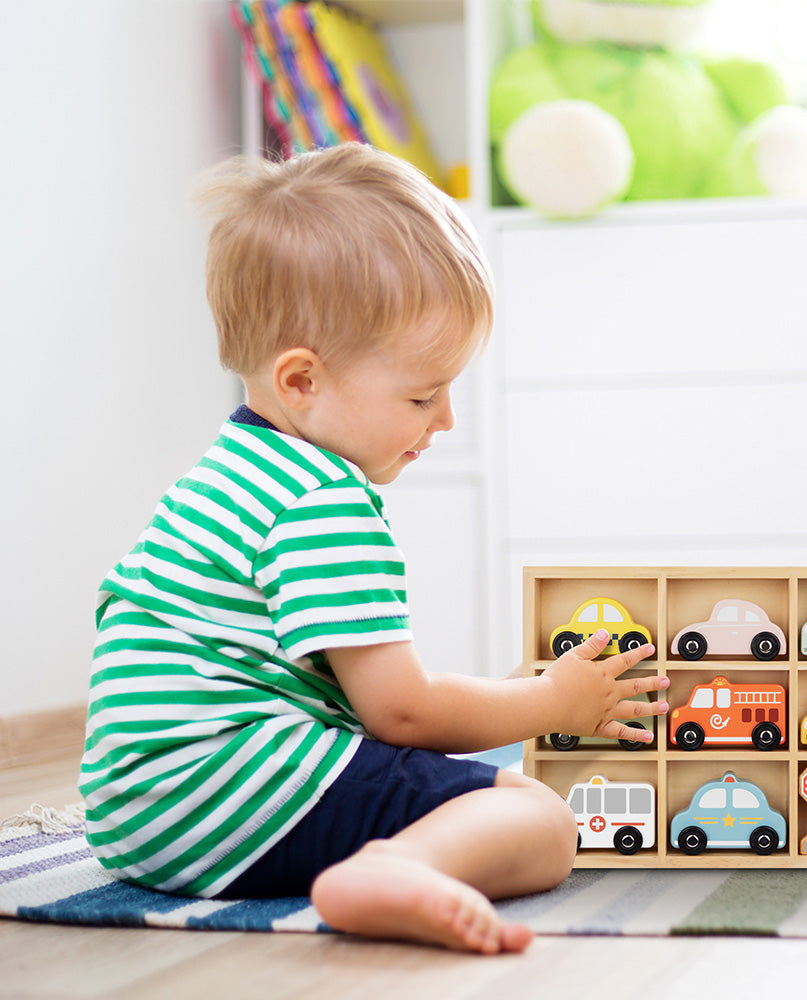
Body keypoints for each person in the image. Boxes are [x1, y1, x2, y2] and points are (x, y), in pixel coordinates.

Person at [79, 143, 669, 954]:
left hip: (138, 815)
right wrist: (553, 705)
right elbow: (400, 712)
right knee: (538, 816)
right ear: (301, 381)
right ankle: (395, 868)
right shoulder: (321, 495)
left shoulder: (232, 471)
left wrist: (516, 698)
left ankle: (384, 859)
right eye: (423, 395)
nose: (446, 419)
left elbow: (364, 707)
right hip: (236, 792)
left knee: (470, 763)